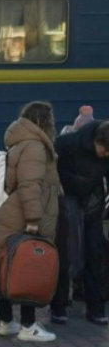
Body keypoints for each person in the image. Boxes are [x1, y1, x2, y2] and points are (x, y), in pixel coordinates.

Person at [0, 102, 61, 341]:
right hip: (22, 215)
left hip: (8, 214)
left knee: (6, 268)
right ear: (43, 121)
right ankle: (28, 326)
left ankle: (6, 322)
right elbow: (30, 185)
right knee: (27, 267)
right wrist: (33, 218)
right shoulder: (35, 147)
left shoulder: (19, 142)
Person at [51, 117, 109, 325]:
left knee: (95, 253)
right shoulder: (68, 144)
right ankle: (59, 305)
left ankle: (95, 305)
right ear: (97, 140)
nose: (106, 155)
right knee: (66, 253)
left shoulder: (72, 143)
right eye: (105, 150)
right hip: (71, 203)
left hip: (90, 203)